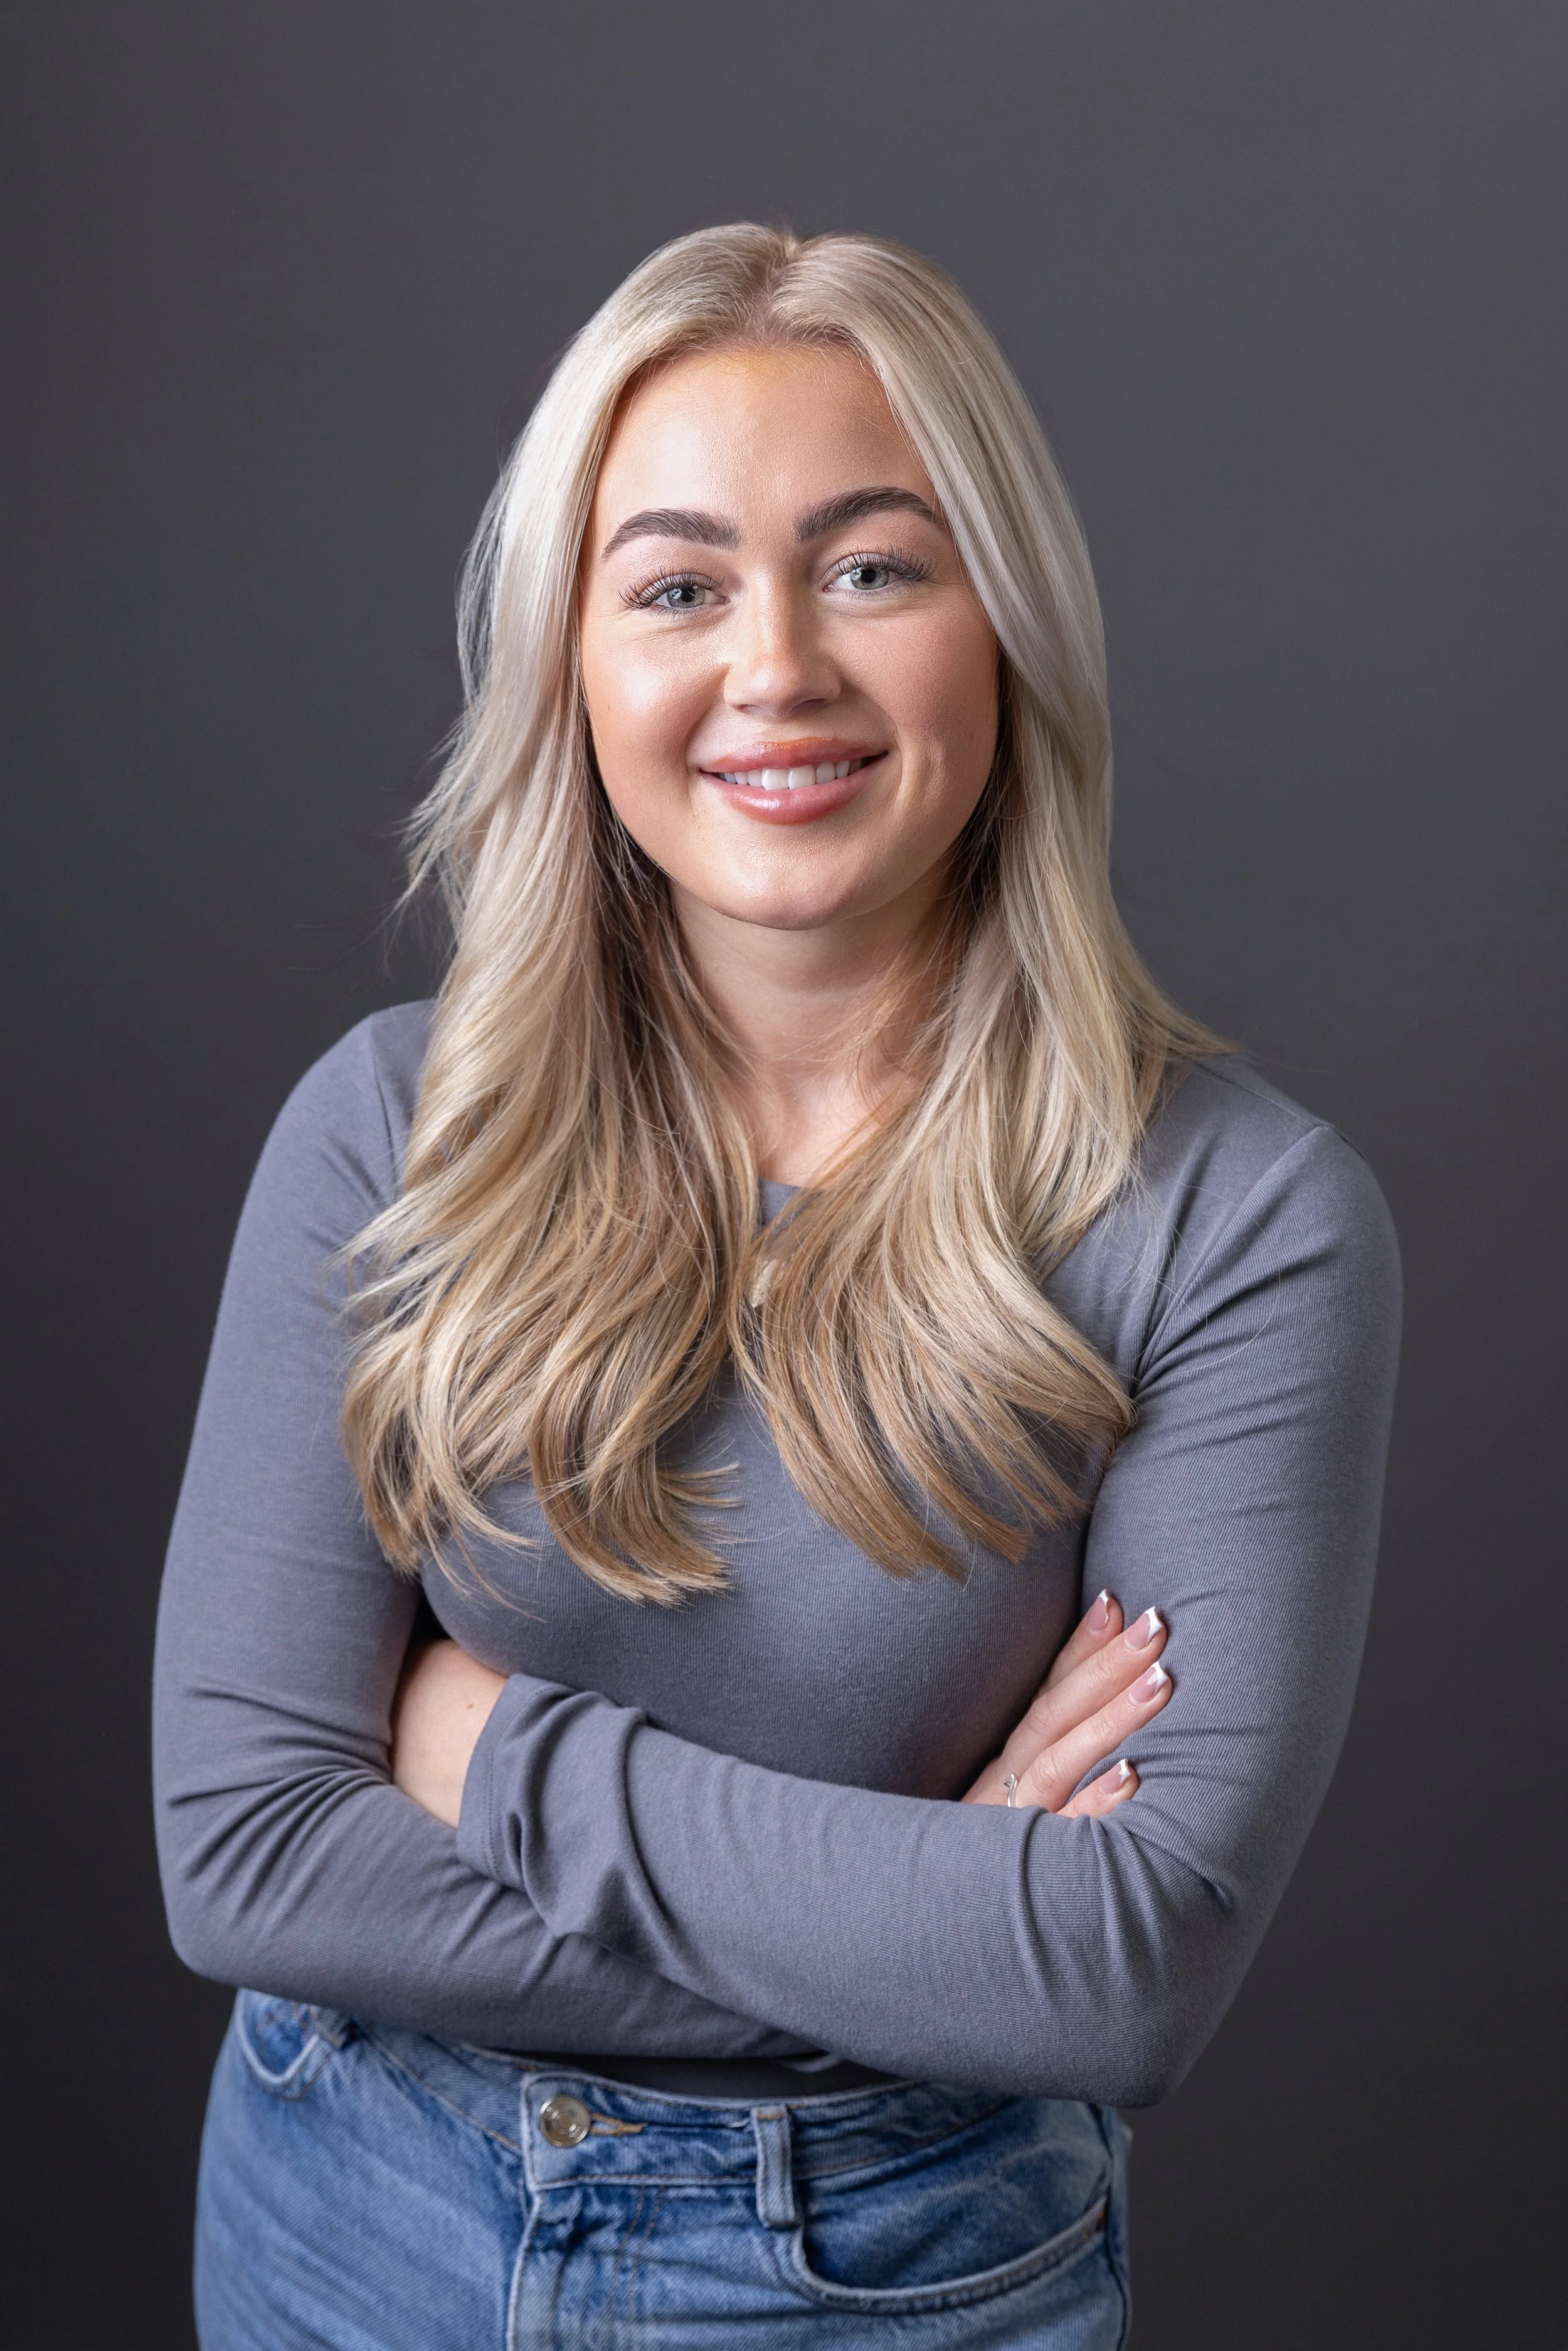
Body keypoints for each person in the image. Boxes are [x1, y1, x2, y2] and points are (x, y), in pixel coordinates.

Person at [153, 225, 1401, 2349]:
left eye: (872, 566)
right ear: (576, 665)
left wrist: (483, 1751)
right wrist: (920, 1906)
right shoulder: (390, 1131)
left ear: (1005, 624)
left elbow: (1114, 1971)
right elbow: (249, 1862)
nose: (776, 670)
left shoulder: (1242, 1219)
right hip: (341, 2192)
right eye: (673, 586)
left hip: (895, 2270)